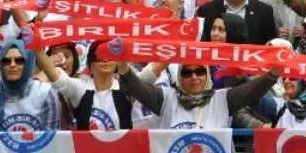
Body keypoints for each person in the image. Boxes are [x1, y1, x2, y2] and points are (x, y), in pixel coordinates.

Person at [118, 58, 277, 129]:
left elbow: (253, 90)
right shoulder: (164, 98)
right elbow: (136, 87)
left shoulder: (224, 99)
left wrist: (273, 74)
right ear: (180, 76)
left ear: (208, 74)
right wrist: (122, 65)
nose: (194, 77)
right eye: (187, 73)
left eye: (200, 71)